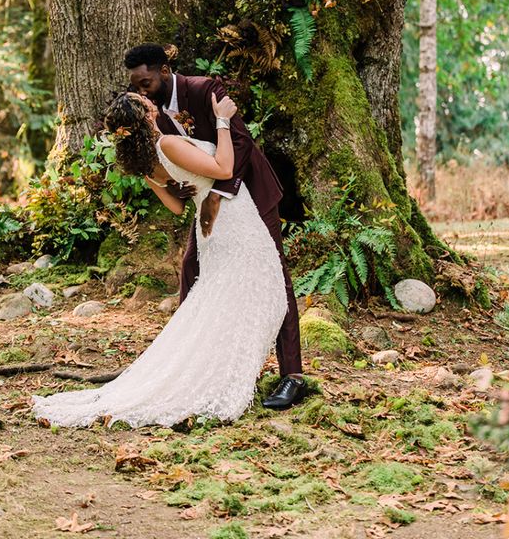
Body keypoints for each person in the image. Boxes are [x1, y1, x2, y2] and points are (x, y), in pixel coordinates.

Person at [31, 90, 287, 428]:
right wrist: (223, 121)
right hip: (233, 223)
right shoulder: (166, 145)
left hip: (213, 228)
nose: (152, 102)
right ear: (145, 114)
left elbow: (177, 206)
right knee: (263, 295)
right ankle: (218, 377)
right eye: (145, 102)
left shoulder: (146, 164)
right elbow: (224, 168)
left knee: (226, 301)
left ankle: (214, 370)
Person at [125, 42, 307, 411]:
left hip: (249, 196)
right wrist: (183, 190)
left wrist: (217, 195)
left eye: (144, 82)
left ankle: (292, 376)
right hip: (207, 208)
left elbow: (240, 142)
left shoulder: (205, 89)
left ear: (163, 71)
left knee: (276, 278)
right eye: (135, 85)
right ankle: (194, 364)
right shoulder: (150, 114)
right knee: (192, 270)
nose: (140, 91)